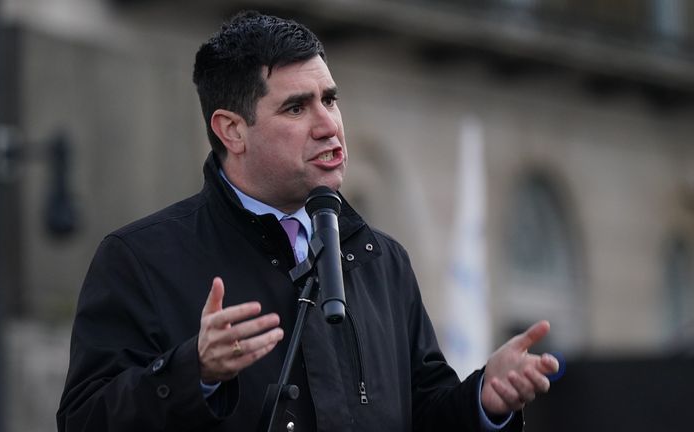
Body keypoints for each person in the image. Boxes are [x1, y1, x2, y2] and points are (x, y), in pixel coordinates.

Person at [56, 10, 559, 432]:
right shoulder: (141, 259)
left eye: (330, 99)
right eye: (296, 107)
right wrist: (195, 371)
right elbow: (84, 421)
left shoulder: (380, 259)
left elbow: (424, 413)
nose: (329, 125)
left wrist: (484, 400)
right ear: (232, 130)